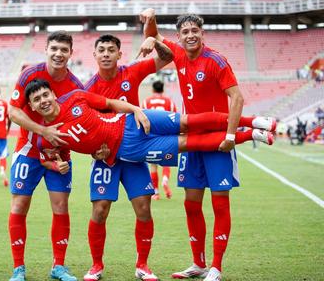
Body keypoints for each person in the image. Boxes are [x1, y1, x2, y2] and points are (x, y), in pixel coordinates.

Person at [139, 8, 273, 281]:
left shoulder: (216, 60)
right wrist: (150, 20)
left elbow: (236, 98)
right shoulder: (176, 53)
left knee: (220, 203)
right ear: (179, 36)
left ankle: (217, 266)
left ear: (202, 33)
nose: (190, 36)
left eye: (194, 31)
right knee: (191, 203)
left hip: (218, 142)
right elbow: (152, 33)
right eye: (185, 32)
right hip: (192, 142)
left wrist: (232, 136)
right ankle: (198, 263)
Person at [7, 31, 99, 281]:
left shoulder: (75, 86)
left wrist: (95, 148)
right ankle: (18, 268)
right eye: (54, 48)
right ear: (46, 50)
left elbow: (86, 122)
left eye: (64, 49)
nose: (58, 53)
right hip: (28, 150)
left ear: (70, 53)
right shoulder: (30, 75)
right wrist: (42, 130)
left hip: (60, 156)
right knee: (20, 205)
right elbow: (13, 111)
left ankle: (58, 266)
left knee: (60, 206)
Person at [82, 34, 173, 281]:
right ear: (95, 55)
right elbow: (84, 126)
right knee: (100, 210)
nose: (106, 53)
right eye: (101, 49)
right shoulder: (88, 88)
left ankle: (142, 265)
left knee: (144, 208)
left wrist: (154, 40)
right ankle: (96, 265)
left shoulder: (131, 72)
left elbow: (168, 57)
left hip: (134, 152)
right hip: (106, 157)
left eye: (111, 49)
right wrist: (93, 150)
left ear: (119, 54)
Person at [26, 79, 274, 168]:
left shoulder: (76, 97)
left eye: (45, 95)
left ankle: (254, 121)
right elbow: (53, 157)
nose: (43, 101)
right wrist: (94, 155)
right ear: (34, 108)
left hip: (132, 120)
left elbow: (111, 103)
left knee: (190, 122)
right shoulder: (45, 135)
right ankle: (252, 136)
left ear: (53, 94)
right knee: (189, 143)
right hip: (127, 149)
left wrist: (135, 109)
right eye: (37, 100)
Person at [142, 80, 177, 200]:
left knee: (153, 165)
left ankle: (155, 192)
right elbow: (175, 119)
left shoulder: (146, 102)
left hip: (152, 137)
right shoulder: (170, 102)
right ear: (163, 90)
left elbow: (142, 119)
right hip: (166, 136)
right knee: (167, 162)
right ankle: (165, 180)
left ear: (152, 90)